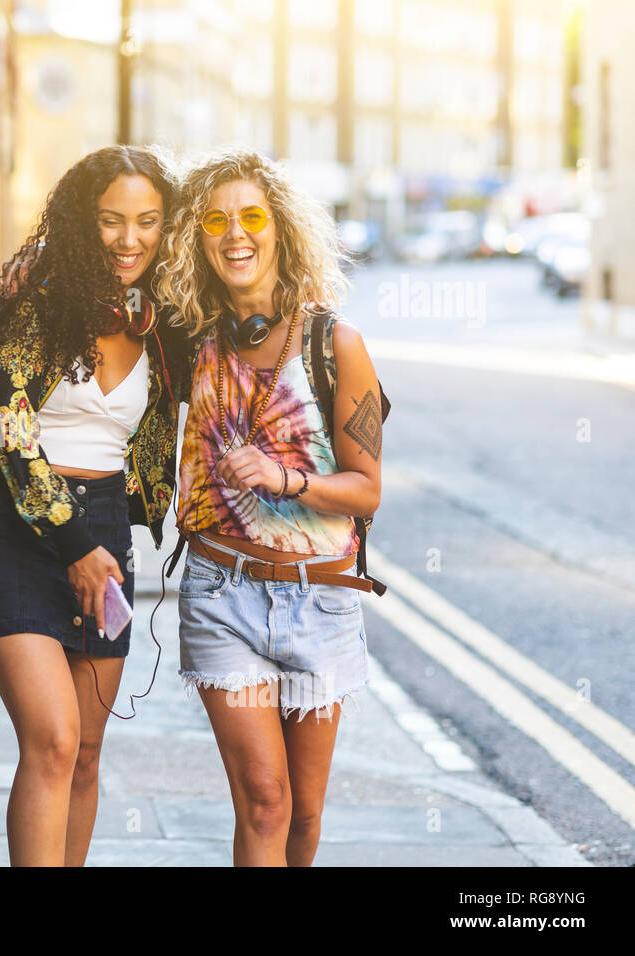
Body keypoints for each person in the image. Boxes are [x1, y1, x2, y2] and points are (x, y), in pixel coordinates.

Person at [0, 145, 190, 866]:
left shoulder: (165, 318)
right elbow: (7, 432)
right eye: (110, 221)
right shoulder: (30, 303)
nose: (129, 240)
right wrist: (75, 547)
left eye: (148, 222)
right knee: (52, 740)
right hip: (11, 530)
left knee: (86, 753)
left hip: (106, 528)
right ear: (80, 223)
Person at [156, 147, 384, 866]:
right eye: (215, 221)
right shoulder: (190, 340)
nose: (235, 234)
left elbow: (367, 488)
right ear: (198, 238)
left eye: (251, 216)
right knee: (264, 799)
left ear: (280, 229)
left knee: (305, 818)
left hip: (321, 599)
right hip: (222, 593)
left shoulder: (337, 346)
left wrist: (284, 481)